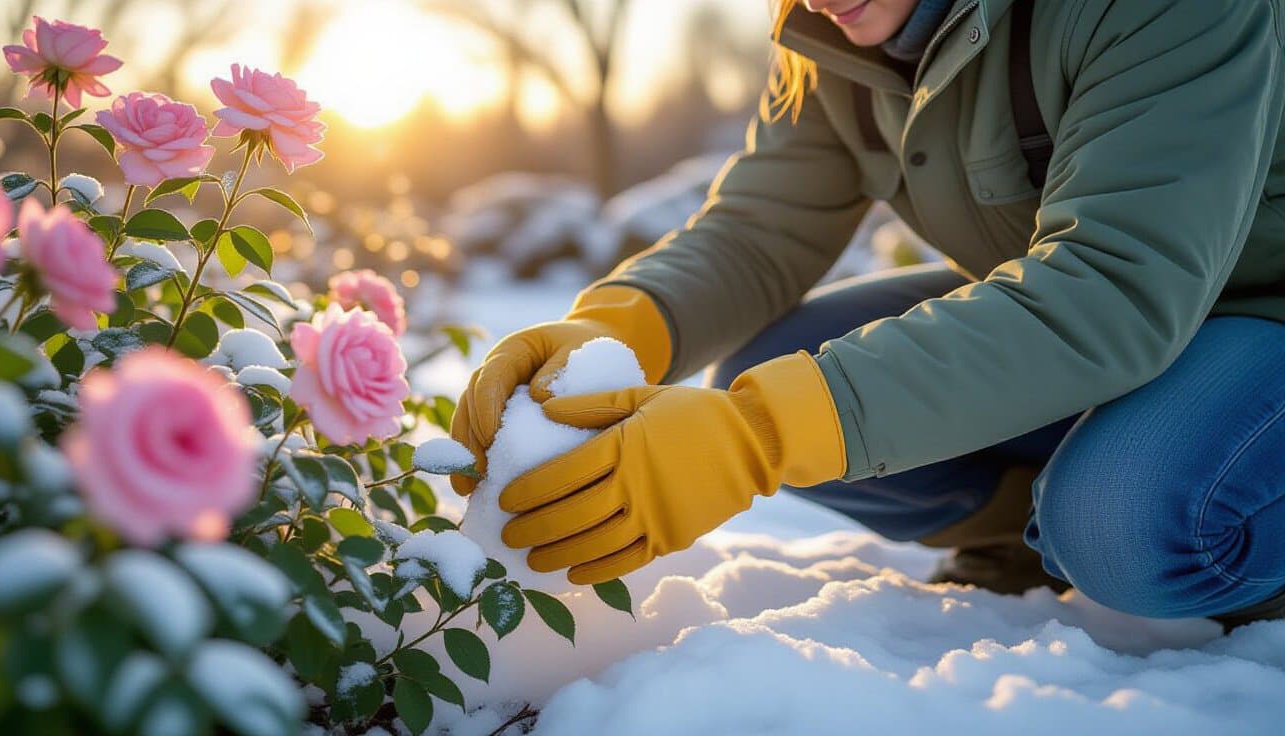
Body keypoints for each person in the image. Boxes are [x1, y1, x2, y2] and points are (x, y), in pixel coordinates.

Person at [450, 0, 1285, 628]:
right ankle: (1043, 525)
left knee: (1122, 526)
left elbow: (1114, 285)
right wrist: (610, 329)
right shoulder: (833, 35)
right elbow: (755, 232)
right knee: (764, 363)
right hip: (1109, 320)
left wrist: (760, 437)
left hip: (1249, 313)